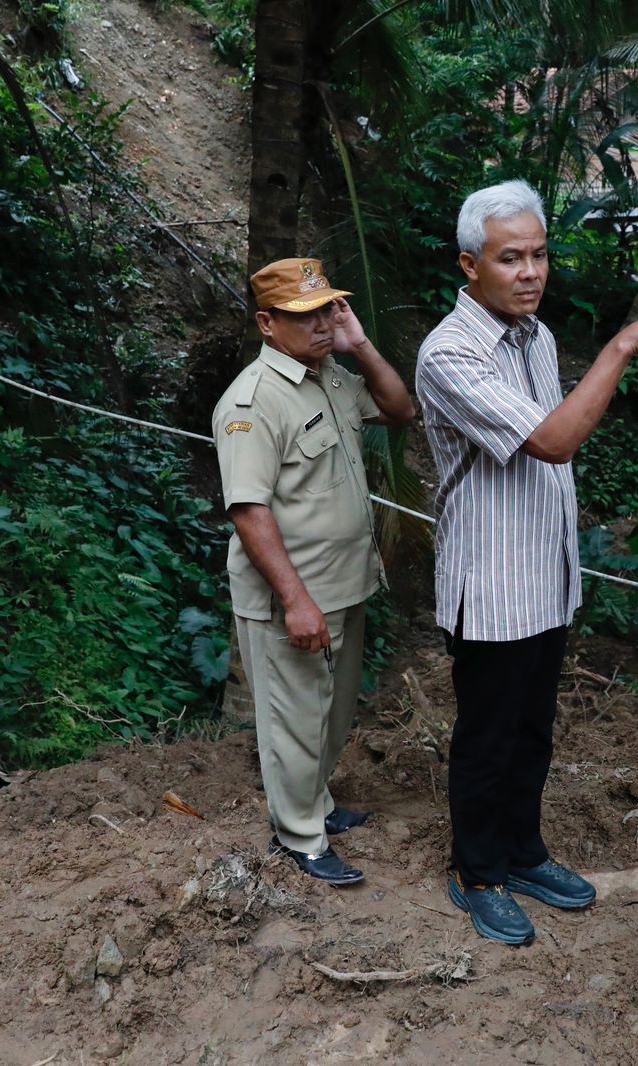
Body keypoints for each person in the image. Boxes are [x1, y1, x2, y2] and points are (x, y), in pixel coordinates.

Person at [416, 179, 638, 945]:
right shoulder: (449, 352)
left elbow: (553, 429)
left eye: (540, 254)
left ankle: (523, 852)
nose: (532, 272)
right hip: (492, 581)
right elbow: (553, 441)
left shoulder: (536, 340)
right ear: (469, 266)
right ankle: (476, 873)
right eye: (511, 258)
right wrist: (622, 344)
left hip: (544, 576)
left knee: (535, 729)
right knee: (489, 736)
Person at [212, 257, 415, 886]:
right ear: (268, 324)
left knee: (332, 712)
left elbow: (399, 407)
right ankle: (298, 836)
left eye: (328, 308)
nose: (322, 323)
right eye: (305, 315)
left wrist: (361, 344)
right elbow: (249, 510)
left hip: (344, 580)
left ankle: (317, 804)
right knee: (294, 715)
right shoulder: (253, 400)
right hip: (292, 593)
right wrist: (295, 601)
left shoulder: (330, 377)